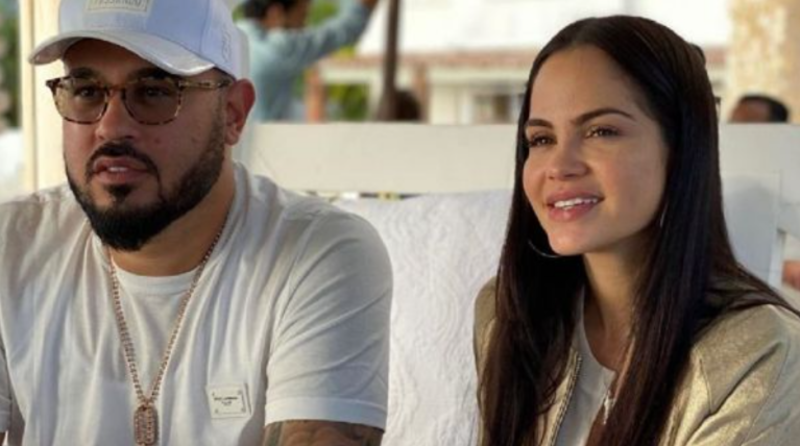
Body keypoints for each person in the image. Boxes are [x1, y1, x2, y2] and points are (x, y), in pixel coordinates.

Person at [0, 0, 392, 444]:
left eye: (154, 91)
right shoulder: (13, 247)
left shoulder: (317, 255)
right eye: (87, 91)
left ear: (233, 114)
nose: (110, 127)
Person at [474, 16, 800, 446]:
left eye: (602, 131)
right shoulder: (507, 313)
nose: (559, 166)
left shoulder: (761, 353)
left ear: (680, 149)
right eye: (541, 139)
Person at [239, 0, 379, 121]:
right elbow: (348, 27)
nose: (304, 26)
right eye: (303, 16)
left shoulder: (234, 38)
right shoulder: (279, 48)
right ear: (275, 14)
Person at [727, 94, 800, 292]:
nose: (735, 131)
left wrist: (784, 266)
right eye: (732, 122)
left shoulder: (791, 178)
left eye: (747, 125)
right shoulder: (716, 175)